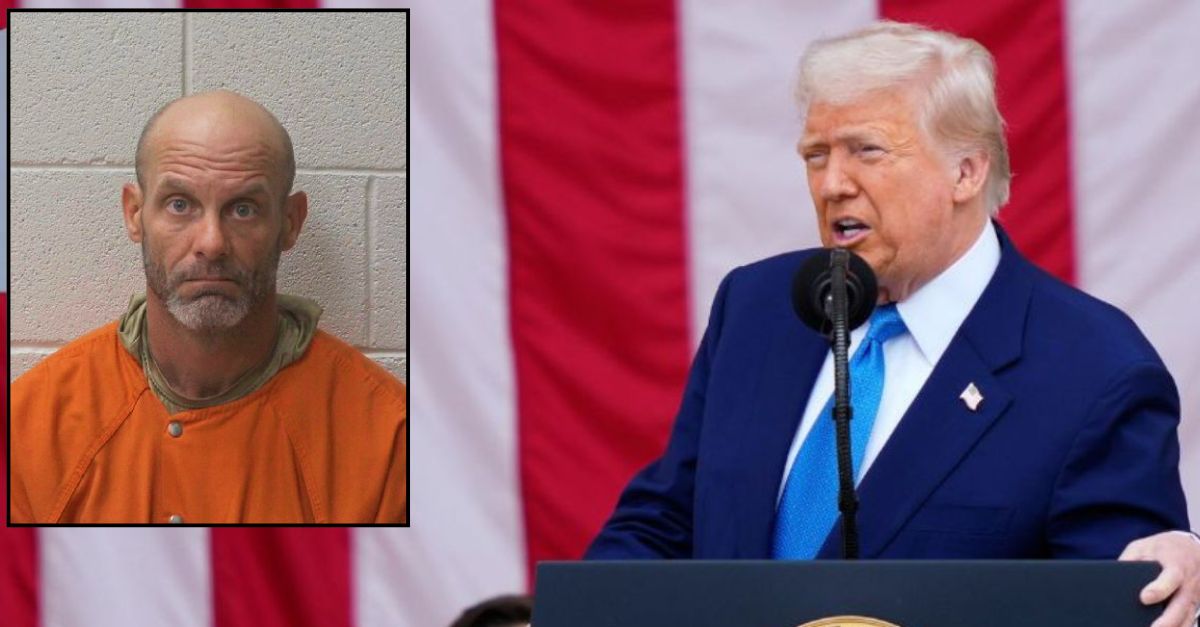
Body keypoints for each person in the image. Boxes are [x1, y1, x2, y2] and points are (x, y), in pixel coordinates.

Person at [586, 22, 1200, 627]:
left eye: (867, 151)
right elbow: (666, 522)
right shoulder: (758, 308)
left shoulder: (1093, 370)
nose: (832, 185)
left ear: (967, 171)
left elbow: (1117, 608)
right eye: (816, 156)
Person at [9, 90, 407, 524]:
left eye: (243, 209)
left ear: (290, 222)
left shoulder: (387, 436)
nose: (212, 243)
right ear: (135, 214)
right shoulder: (30, 424)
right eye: (180, 205)